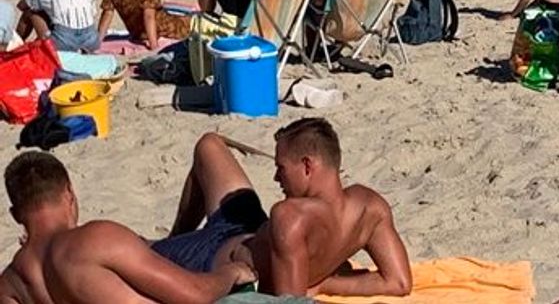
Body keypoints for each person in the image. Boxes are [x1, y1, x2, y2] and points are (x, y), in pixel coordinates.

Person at [153, 120, 413, 297]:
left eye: (281, 169)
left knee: (140, 251)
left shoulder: (290, 216)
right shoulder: (371, 207)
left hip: (211, 255)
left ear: (307, 166)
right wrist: (326, 282)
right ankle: (176, 236)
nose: (277, 179)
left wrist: (323, 284)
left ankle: (172, 244)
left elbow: (289, 301)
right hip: (251, 229)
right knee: (209, 145)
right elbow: (398, 282)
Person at [0, 152, 253, 304]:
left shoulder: (10, 285)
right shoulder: (95, 239)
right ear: (69, 193)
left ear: (15, 214)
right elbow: (195, 296)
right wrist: (231, 273)